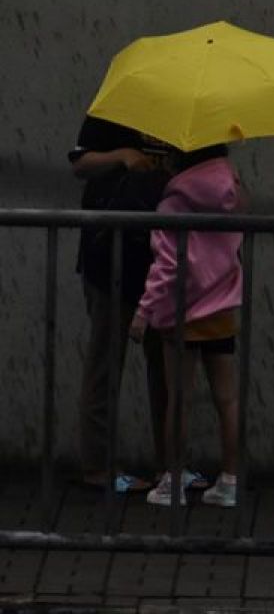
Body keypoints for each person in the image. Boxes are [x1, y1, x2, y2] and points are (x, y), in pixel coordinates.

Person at [130, 143, 244, 507]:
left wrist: (143, 312)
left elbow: (167, 265)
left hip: (181, 313)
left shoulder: (172, 202)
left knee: (178, 399)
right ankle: (230, 480)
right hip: (222, 308)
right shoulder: (235, 194)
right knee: (227, 399)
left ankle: (173, 481)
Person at [70, 116, 172, 492]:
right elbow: (80, 163)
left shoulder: (186, 110)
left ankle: (169, 463)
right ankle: (97, 465)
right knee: (106, 361)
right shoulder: (115, 104)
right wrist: (122, 156)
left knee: (167, 366)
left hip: (163, 260)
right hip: (110, 254)